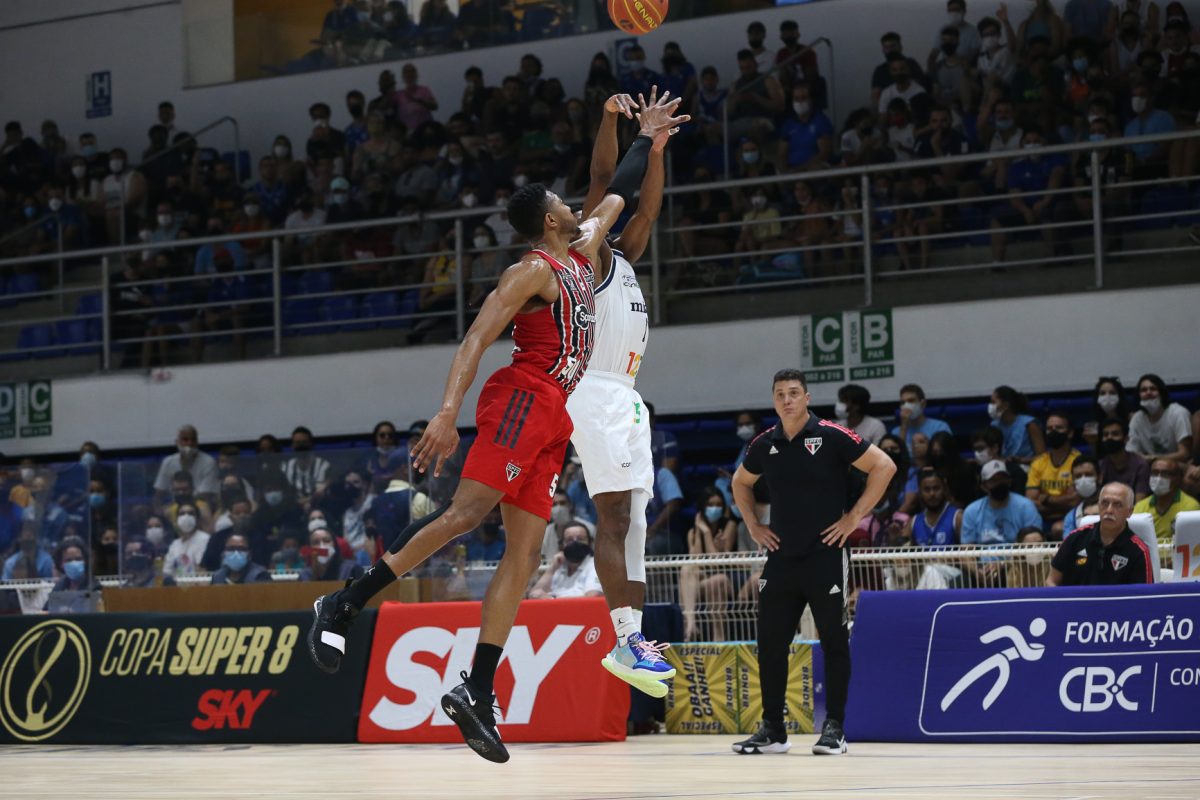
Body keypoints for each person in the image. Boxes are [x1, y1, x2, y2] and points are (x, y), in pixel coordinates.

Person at [307, 92, 685, 764]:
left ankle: (477, 688)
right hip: (522, 395)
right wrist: (446, 412)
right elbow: (477, 337)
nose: (577, 206)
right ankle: (344, 602)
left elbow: (619, 189)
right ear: (550, 219)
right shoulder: (533, 269)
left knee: (526, 554)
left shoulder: (586, 250)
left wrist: (646, 138)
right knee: (465, 514)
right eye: (564, 203)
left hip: (555, 413)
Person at [557, 89, 679, 699]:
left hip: (627, 396)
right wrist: (612, 121)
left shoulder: (626, 256)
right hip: (594, 390)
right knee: (614, 516)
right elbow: (605, 180)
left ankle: (633, 639)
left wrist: (657, 152)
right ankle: (624, 639)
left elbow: (648, 210)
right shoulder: (591, 255)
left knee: (635, 525)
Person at [730, 369, 895, 757]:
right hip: (781, 558)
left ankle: (835, 728)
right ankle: (774, 730)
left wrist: (853, 518)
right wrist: (753, 525)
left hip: (826, 554)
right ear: (774, 401)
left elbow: (884, 466)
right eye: (780, 394)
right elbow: (740, 482)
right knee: (771, 643)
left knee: (834, 640)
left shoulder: (832, 435)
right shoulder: (764, 443)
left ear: (806, 398)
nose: (787, 400)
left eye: (793, 393)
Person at [1048, 483, 1151, 585]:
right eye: (1104, 503)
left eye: (1118, 505)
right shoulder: (1075, 538)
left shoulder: (1138, 551)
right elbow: (1051, 581)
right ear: (1098, 506)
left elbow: (1144, 594)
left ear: (1130, 512)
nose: (1109, 510)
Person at [960, 461, 1044, 586]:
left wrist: (1003, 564)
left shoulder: (1026, 507)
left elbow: (1035, 546)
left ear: (1009, 481)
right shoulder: (972, 511)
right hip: (984, 568)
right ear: (984, 486)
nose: (1000, 483)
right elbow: (965, 552)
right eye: (994, 480)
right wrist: (977, 572)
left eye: (1003, 479)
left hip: (1018, 565)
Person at [678, 488, 739, 642]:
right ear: (703, 507)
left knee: (715, 580)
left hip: (726, 578)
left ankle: (719, 636)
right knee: (687, 569)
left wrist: (706, 533)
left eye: (718, 504)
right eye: (710, 504)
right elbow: (695, 561)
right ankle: (690, 623)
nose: (715, 508)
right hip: (702, 580)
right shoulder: (692, 532)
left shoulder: (729, 525)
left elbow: (714, 563)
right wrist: (699, 533)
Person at [1025, 411, 1081, 530]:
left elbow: (1074, 502)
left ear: (1070, 433)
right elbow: (1030, 502)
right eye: (1049, 428)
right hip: (1040, 519)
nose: (1053, 431)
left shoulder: (1079, 461)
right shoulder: (1038, 463)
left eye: (1059, 428)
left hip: (1072, 518)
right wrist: (1062, 501)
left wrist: (1046, 499)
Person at [1128, 373, 1193, 462]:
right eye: (1143, 390)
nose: (1148, 392)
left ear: (1161, 393)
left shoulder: (1178, 413)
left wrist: (1151, 458)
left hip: (1177, 464)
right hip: (1148, 465)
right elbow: (1131, 452)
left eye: (1153, 389)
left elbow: (1184, 454)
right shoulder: (1137, 418)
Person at [527, 522, 603, 599]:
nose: (575, 543)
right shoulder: (559, 566)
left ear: (590, 542)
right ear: (562, 545)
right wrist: (552, 569)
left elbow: (592, 597)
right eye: (569, 540)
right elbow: (534, 595)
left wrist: (551, 600)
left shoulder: (595, 566)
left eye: (580, 539)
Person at [153, 425, 219, 508]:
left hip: (200, 508)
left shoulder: (208, 462)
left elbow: (205, 495)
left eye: (193, 440)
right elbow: (159, 494)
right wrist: (159, 510)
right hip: (174, 508)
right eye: (185, 440)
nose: (190, 443)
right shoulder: (168, 462)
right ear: (177, 442)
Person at [1133, 459, 1200, 541]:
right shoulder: (1140, 507)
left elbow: (1191, 541)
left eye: (1165, 474)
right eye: (1155, 473)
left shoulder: (1191, 507)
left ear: (1178, 478)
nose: (1159, 478)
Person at [905, 467, 960, 546]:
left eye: (936, 488)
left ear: (944, 489)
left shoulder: (957, 517)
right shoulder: (914, 522)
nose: (932, 494)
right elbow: (903, 550)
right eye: (927, 489)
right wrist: (895, 539)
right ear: (920, 492)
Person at [989, 385, 1044, 462]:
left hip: (1027, 466)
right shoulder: (994, 425)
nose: (990, 406)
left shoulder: (1029, 424)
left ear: (1006, 405)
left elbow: (1042, 456)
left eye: (993, 402)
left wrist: (1021, 460)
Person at [891, 383, 951, 451]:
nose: (906, 406)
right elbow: (897, 455)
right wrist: (904, 427)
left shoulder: (940, 427)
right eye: (903, 403)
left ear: (923, 404)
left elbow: (945, 454)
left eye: (911, 401)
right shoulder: (895, 432)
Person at [161, 502, 210, 579]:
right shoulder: (175, 544)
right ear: (176, 520)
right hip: (175, 585)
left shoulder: (204, 539)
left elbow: (201, 570)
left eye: (191, 513)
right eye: (182, 514)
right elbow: (167, 572)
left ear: (197, 519)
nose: (186, 516)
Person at [300, 525, 365, 582]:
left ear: (335, 545)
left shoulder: (352, 569)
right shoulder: (304, 575)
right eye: (316, 542)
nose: (322, 546)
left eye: (327, 541)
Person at [1062, 454, 1103, 532]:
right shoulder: (1072, 517)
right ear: (1073, 481)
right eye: (1078, 476)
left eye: (1088, 475)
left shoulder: (1116, 509)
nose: (1083, 480)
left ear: (1100, 477)